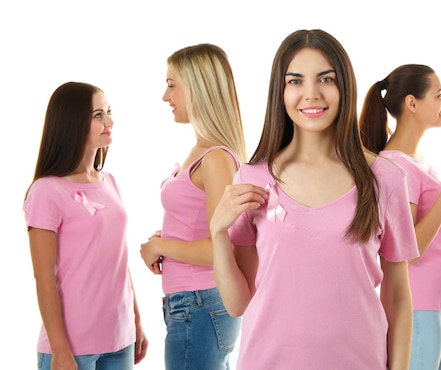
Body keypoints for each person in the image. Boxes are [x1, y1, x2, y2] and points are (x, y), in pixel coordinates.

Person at [209, 29, 418, 370]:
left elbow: (397, 297)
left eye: (325, 79)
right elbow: (238, 304)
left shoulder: (386, 179)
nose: (311, 94)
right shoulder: (253, 178)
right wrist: (218, 233)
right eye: (295, 81)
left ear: (344, 87)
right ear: (281, 91)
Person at [359, 64, 441, 370]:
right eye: (439, 94)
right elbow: (408, 252)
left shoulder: (414, 161)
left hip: (439, 303)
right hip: (418, 307)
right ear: (412, 103)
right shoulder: (394, 166)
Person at [24, 81, 148, 370]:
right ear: (72, 122)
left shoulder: (110, 182)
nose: (109, 121)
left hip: (120, 340)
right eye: (98, 115)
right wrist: (59, 350)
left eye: (108, 112)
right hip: (72, 348)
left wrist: (137, 321)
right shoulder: (46, 191)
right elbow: (44, 277)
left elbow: (118, 260)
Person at [139, 43, 246, 370]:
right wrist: (168, 238)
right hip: (193, 303)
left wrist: (161, 245)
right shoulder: (202, 151)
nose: (165, 96)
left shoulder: (214, 158)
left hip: (200, 303)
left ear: (198, 88)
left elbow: (222, 250)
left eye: (172, 85)